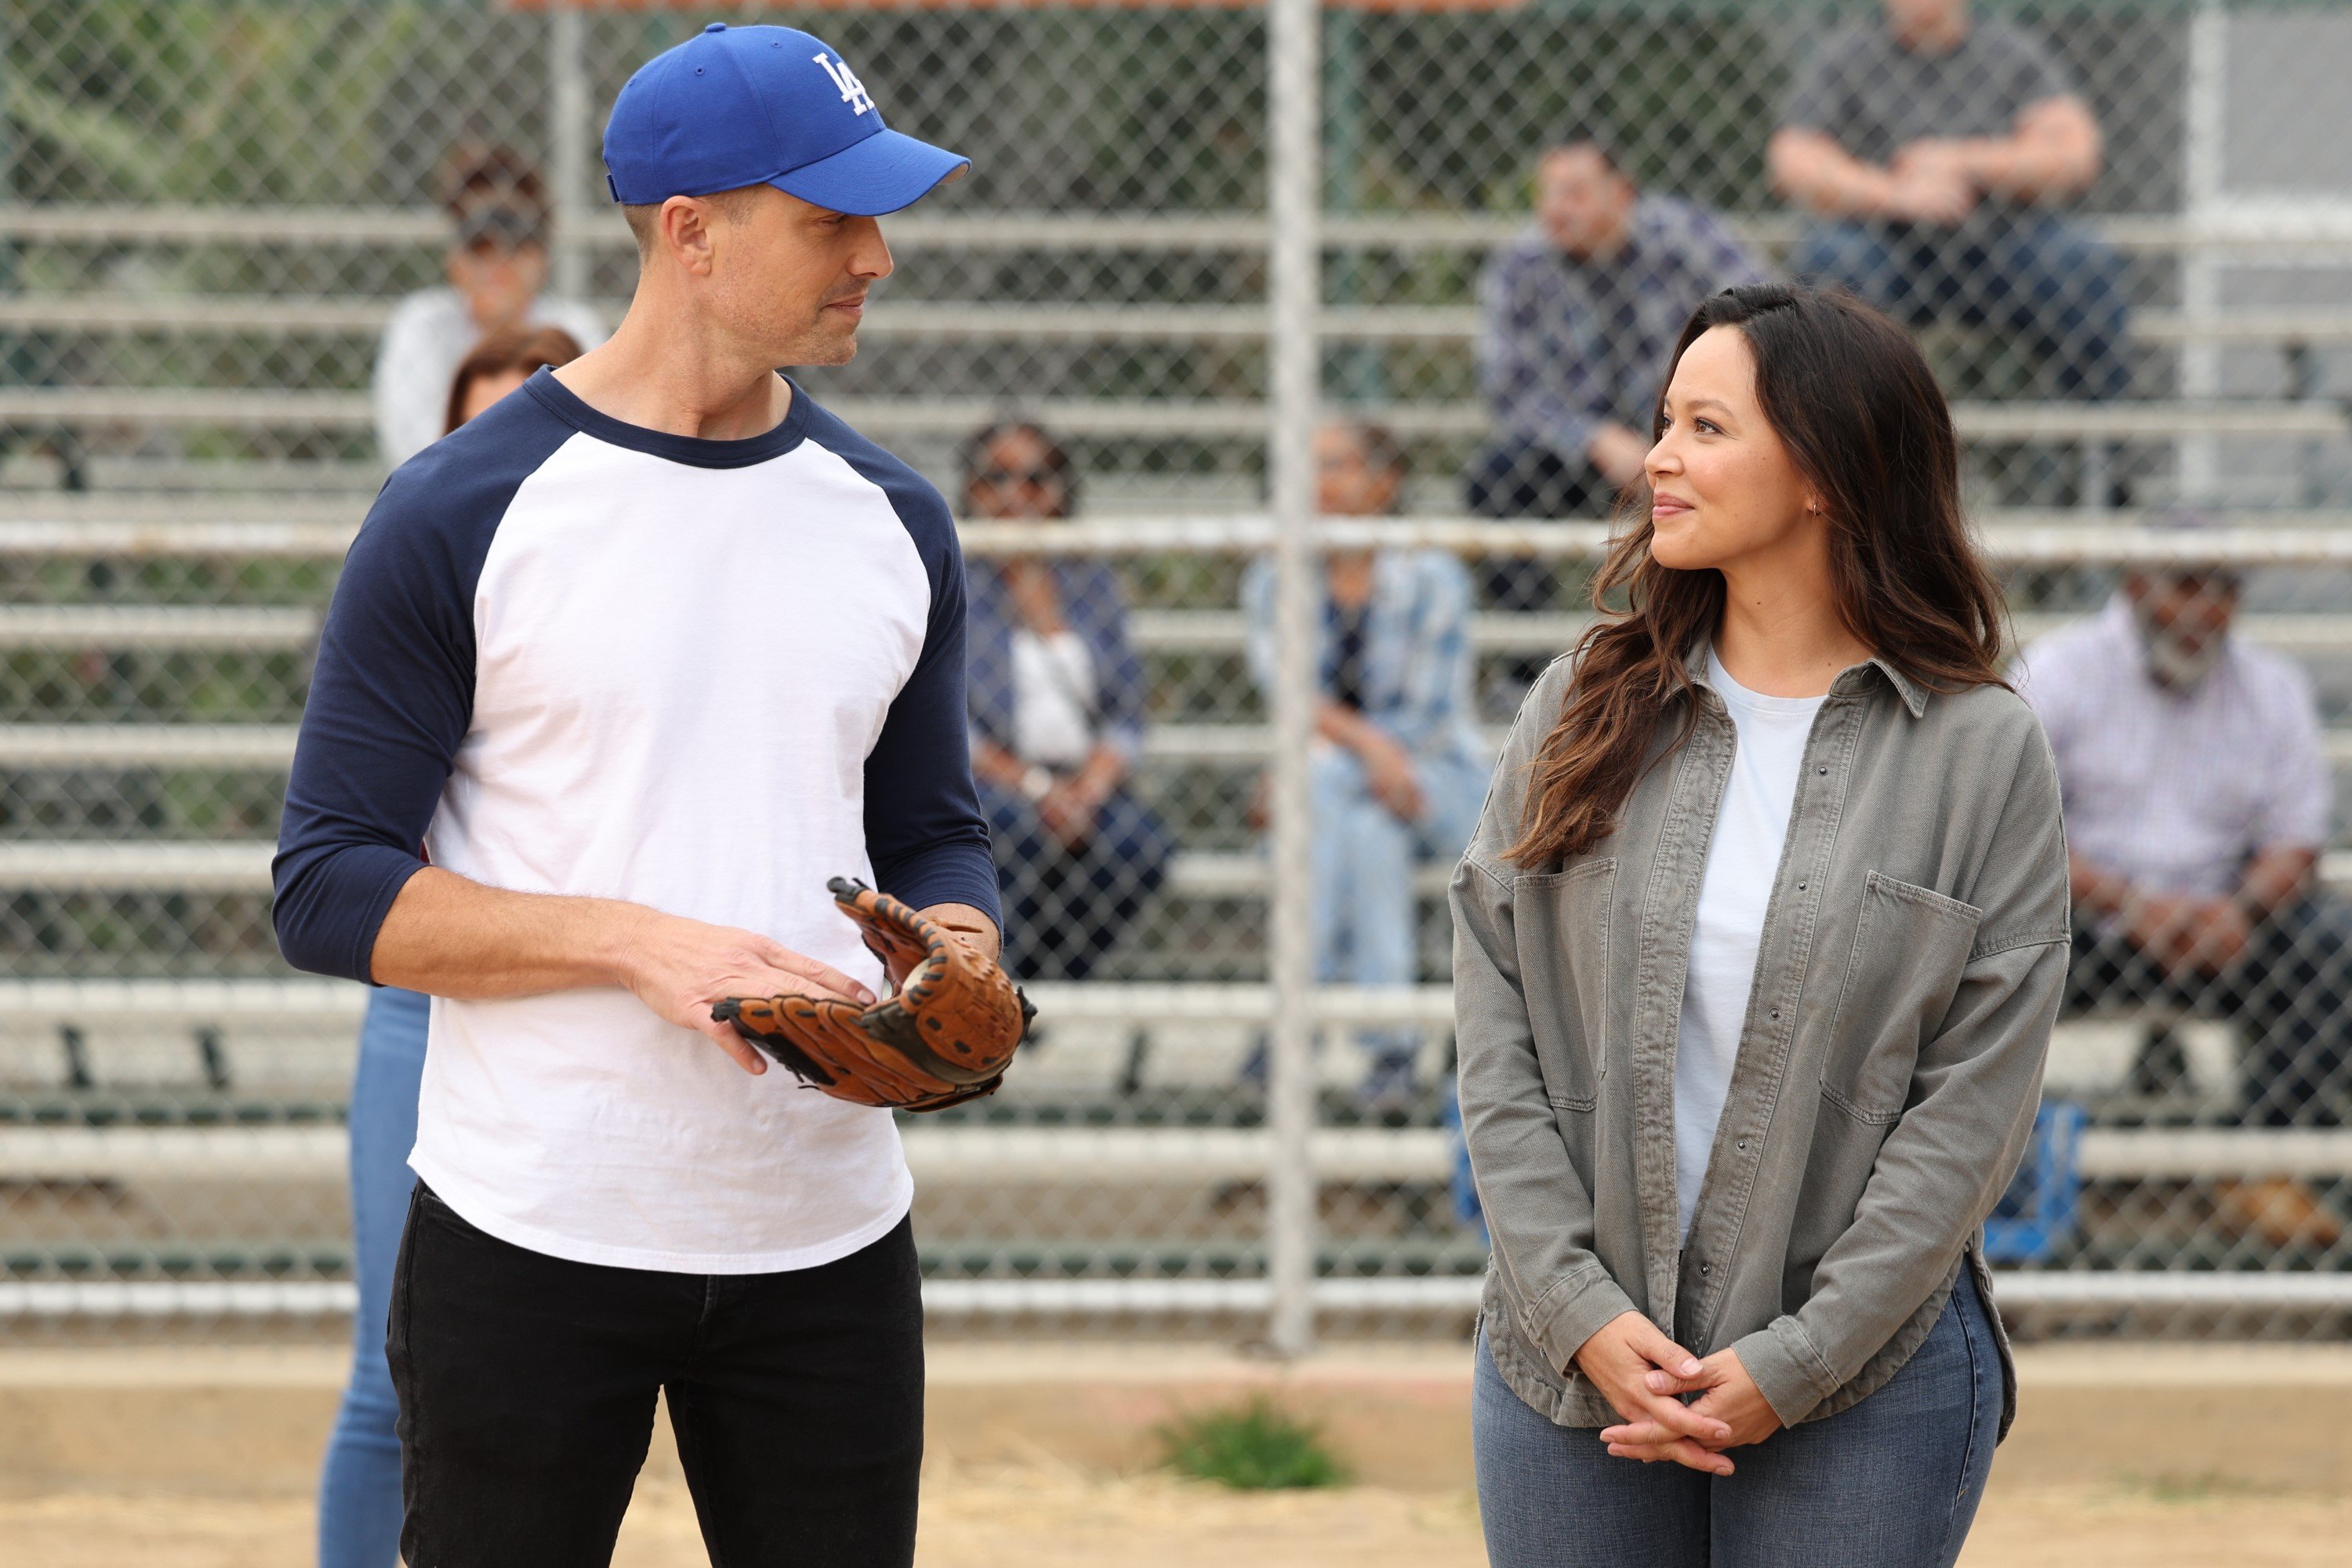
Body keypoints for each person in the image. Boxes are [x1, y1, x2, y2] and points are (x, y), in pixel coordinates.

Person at [275, 24, 991, 1568]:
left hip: (826, 1233)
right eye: (830, 220)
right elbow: (327, 884)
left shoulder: (892, 519)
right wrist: (641, 944)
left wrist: (957, 940)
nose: (875, 255)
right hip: (534, 1226)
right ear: (692, 233)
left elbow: (936, 818)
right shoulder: (459, 508)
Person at [1457, 284, 2067, 1566]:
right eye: (1664, 421)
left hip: (1865, 1384)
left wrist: (1798, 1358)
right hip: (1574, 1372)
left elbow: (1970, 1113)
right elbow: (1494, 1019)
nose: (1661, 458)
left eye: (1707, 427)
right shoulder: (1580, 702)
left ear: (1826, 472)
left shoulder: (1982, 748)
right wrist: (1575, 1307)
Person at [311, 320, 585, 1568]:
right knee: (387, 1374)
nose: (505, 448)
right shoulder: (418, 570)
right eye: (475, 423)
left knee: (568, 1379)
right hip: (428, 999)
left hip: (588, 1001)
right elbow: (348, 850)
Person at [2017, 544, 2349, 1248]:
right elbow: (2013, 831)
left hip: (2223, 930)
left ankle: (2262, 1162)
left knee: (2333, 938)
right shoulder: (2060, 670)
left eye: (2223, 589)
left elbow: (2297, 841)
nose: (2203, 611)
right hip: (2085, 928)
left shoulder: (2271, 684)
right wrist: (2130, 904)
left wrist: (2242, 908)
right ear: (2136, 584)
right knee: (1988, 929)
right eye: (2186, 586)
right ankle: (2004, 1177)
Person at [1247, 423, 1493, 1108]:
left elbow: (1430, 713)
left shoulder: (1432, 573)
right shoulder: (1274, 575)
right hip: (1343, 792)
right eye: (1309, 465)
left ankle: (1291, 1022)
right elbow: (1287, 690)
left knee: (1320, 782)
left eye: (1338, 465)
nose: (1319, 481)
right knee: (1367, 838)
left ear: (1385, 482)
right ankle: (1390, 1050)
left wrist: (1339, 756)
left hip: (1434, 776)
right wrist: (1363, 751)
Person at [1468, 132, 1763, 689]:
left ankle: (1709, 657)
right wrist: (1591, 438)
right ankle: (1526, 674)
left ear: (1622, 193)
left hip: (1691, 440)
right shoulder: (1521, 265)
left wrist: (1684, 429)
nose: (1556, 209)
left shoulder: (1685, 239)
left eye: (1574, 192)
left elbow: (1765, 320)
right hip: (1580, 459)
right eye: (1547, 194)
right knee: (1496, 478)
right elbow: (1507, 389)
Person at [1771, 0, 2130, 404]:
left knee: (2082, 259)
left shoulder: (2011, 53)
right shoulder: (1848, 57)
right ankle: (1841, 438)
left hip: (2003, 244)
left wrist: (1962, 161)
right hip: (1885, 245)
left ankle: (2099, 447)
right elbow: (1793, 159)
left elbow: (2074, 154)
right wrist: (1896, 195)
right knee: (1834, 257)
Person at [963, 419, 1172, 982]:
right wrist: (1039, 790)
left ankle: (1045, 988)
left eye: (1036, 479)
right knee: (1009, 829)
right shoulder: (955, 578)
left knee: (1139, 846)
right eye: (997, 478)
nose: (1016, 496)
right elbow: (954, 728)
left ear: (1061, 490)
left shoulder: (1091, 582)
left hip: (1085, 779)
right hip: (997, 782)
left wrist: (1090, 788)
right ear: (973, 491)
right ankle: (1003, 993)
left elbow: (1127, 714)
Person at [372, 145, 608, 466]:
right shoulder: (425, 323)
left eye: (514, 249)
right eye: (480, 250)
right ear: (454, 260)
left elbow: (591, 441)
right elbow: (412, 451)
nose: (496, 267)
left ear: (541, 260)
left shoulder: (573, 326)